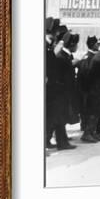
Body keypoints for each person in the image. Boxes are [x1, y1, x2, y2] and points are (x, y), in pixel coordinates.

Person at [53, 32, 80, 150]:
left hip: (66, 93)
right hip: (61, 93)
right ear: (72, 44)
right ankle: (62, 143)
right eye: (76, 44)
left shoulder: (67, 56)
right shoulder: (61, 57)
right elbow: (60, 77)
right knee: (60, 118)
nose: (77, 47)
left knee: (62, 118)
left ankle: (61, 140)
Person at [77, 35, 99, 143]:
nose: (98, 45)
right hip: (89, 90)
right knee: (90, 112)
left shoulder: (92, 56)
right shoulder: (88, 57)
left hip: (91, 89)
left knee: (93, 111)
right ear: (92, 45)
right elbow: (85, 75)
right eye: (97, 44)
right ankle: (87, 134)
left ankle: (91, 132)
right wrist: (89, 89)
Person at [45, 17, 59, 149]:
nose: (55, 35)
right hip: (47, 89)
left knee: (50, 115)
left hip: (52, 88)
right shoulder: (44, 47)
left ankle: (47, 139)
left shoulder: (49, 47)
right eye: (53, 33)